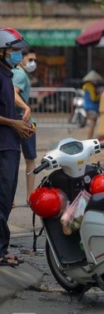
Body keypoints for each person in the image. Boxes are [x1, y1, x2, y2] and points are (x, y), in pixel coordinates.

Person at [0, 27, 34, 267]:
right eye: (13, 51)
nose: (17, 56)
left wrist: (21, 120)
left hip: (10, 144)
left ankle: (2, 249)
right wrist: (13, 123)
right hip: (3, 146)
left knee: (7, 198)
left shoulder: (7, 74)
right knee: (2, 199)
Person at [12, 48, 38, 203]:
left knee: (11, 159)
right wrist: (26, 107)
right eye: (30, 59)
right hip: (24, 121)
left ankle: (10, 199)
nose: (32, 63)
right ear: (22, 58)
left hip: (14, 120)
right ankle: (30, 197)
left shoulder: (13, 72)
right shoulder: (20, 74)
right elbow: (13, 93)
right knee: (30, 159)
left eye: (34, 60)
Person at [81, 70, 103, 140]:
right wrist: (100, 96)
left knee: (91, 124)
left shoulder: (86, 86)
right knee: (92, 124)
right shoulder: (90, 87)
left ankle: (89, 138)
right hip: (92, 107)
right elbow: (93, 98)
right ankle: (89, 139)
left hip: (87, 107)